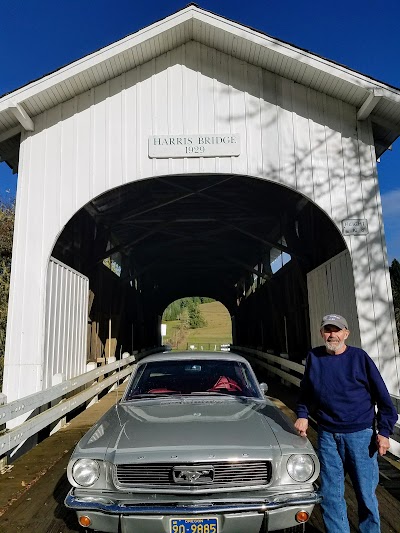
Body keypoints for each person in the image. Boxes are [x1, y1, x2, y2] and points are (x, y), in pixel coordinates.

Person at [294, 313, 398, 533]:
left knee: (365, 495)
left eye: (337, 330)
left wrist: (384, 432)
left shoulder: (359, 358)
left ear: (346, 333)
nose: (332, 335)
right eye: (328, 330)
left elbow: (384, 400)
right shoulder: (314, 357)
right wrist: (302, 414)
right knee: (330, 494)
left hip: (360, 436)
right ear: (322, 333)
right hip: (327, 435)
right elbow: (306, 393)